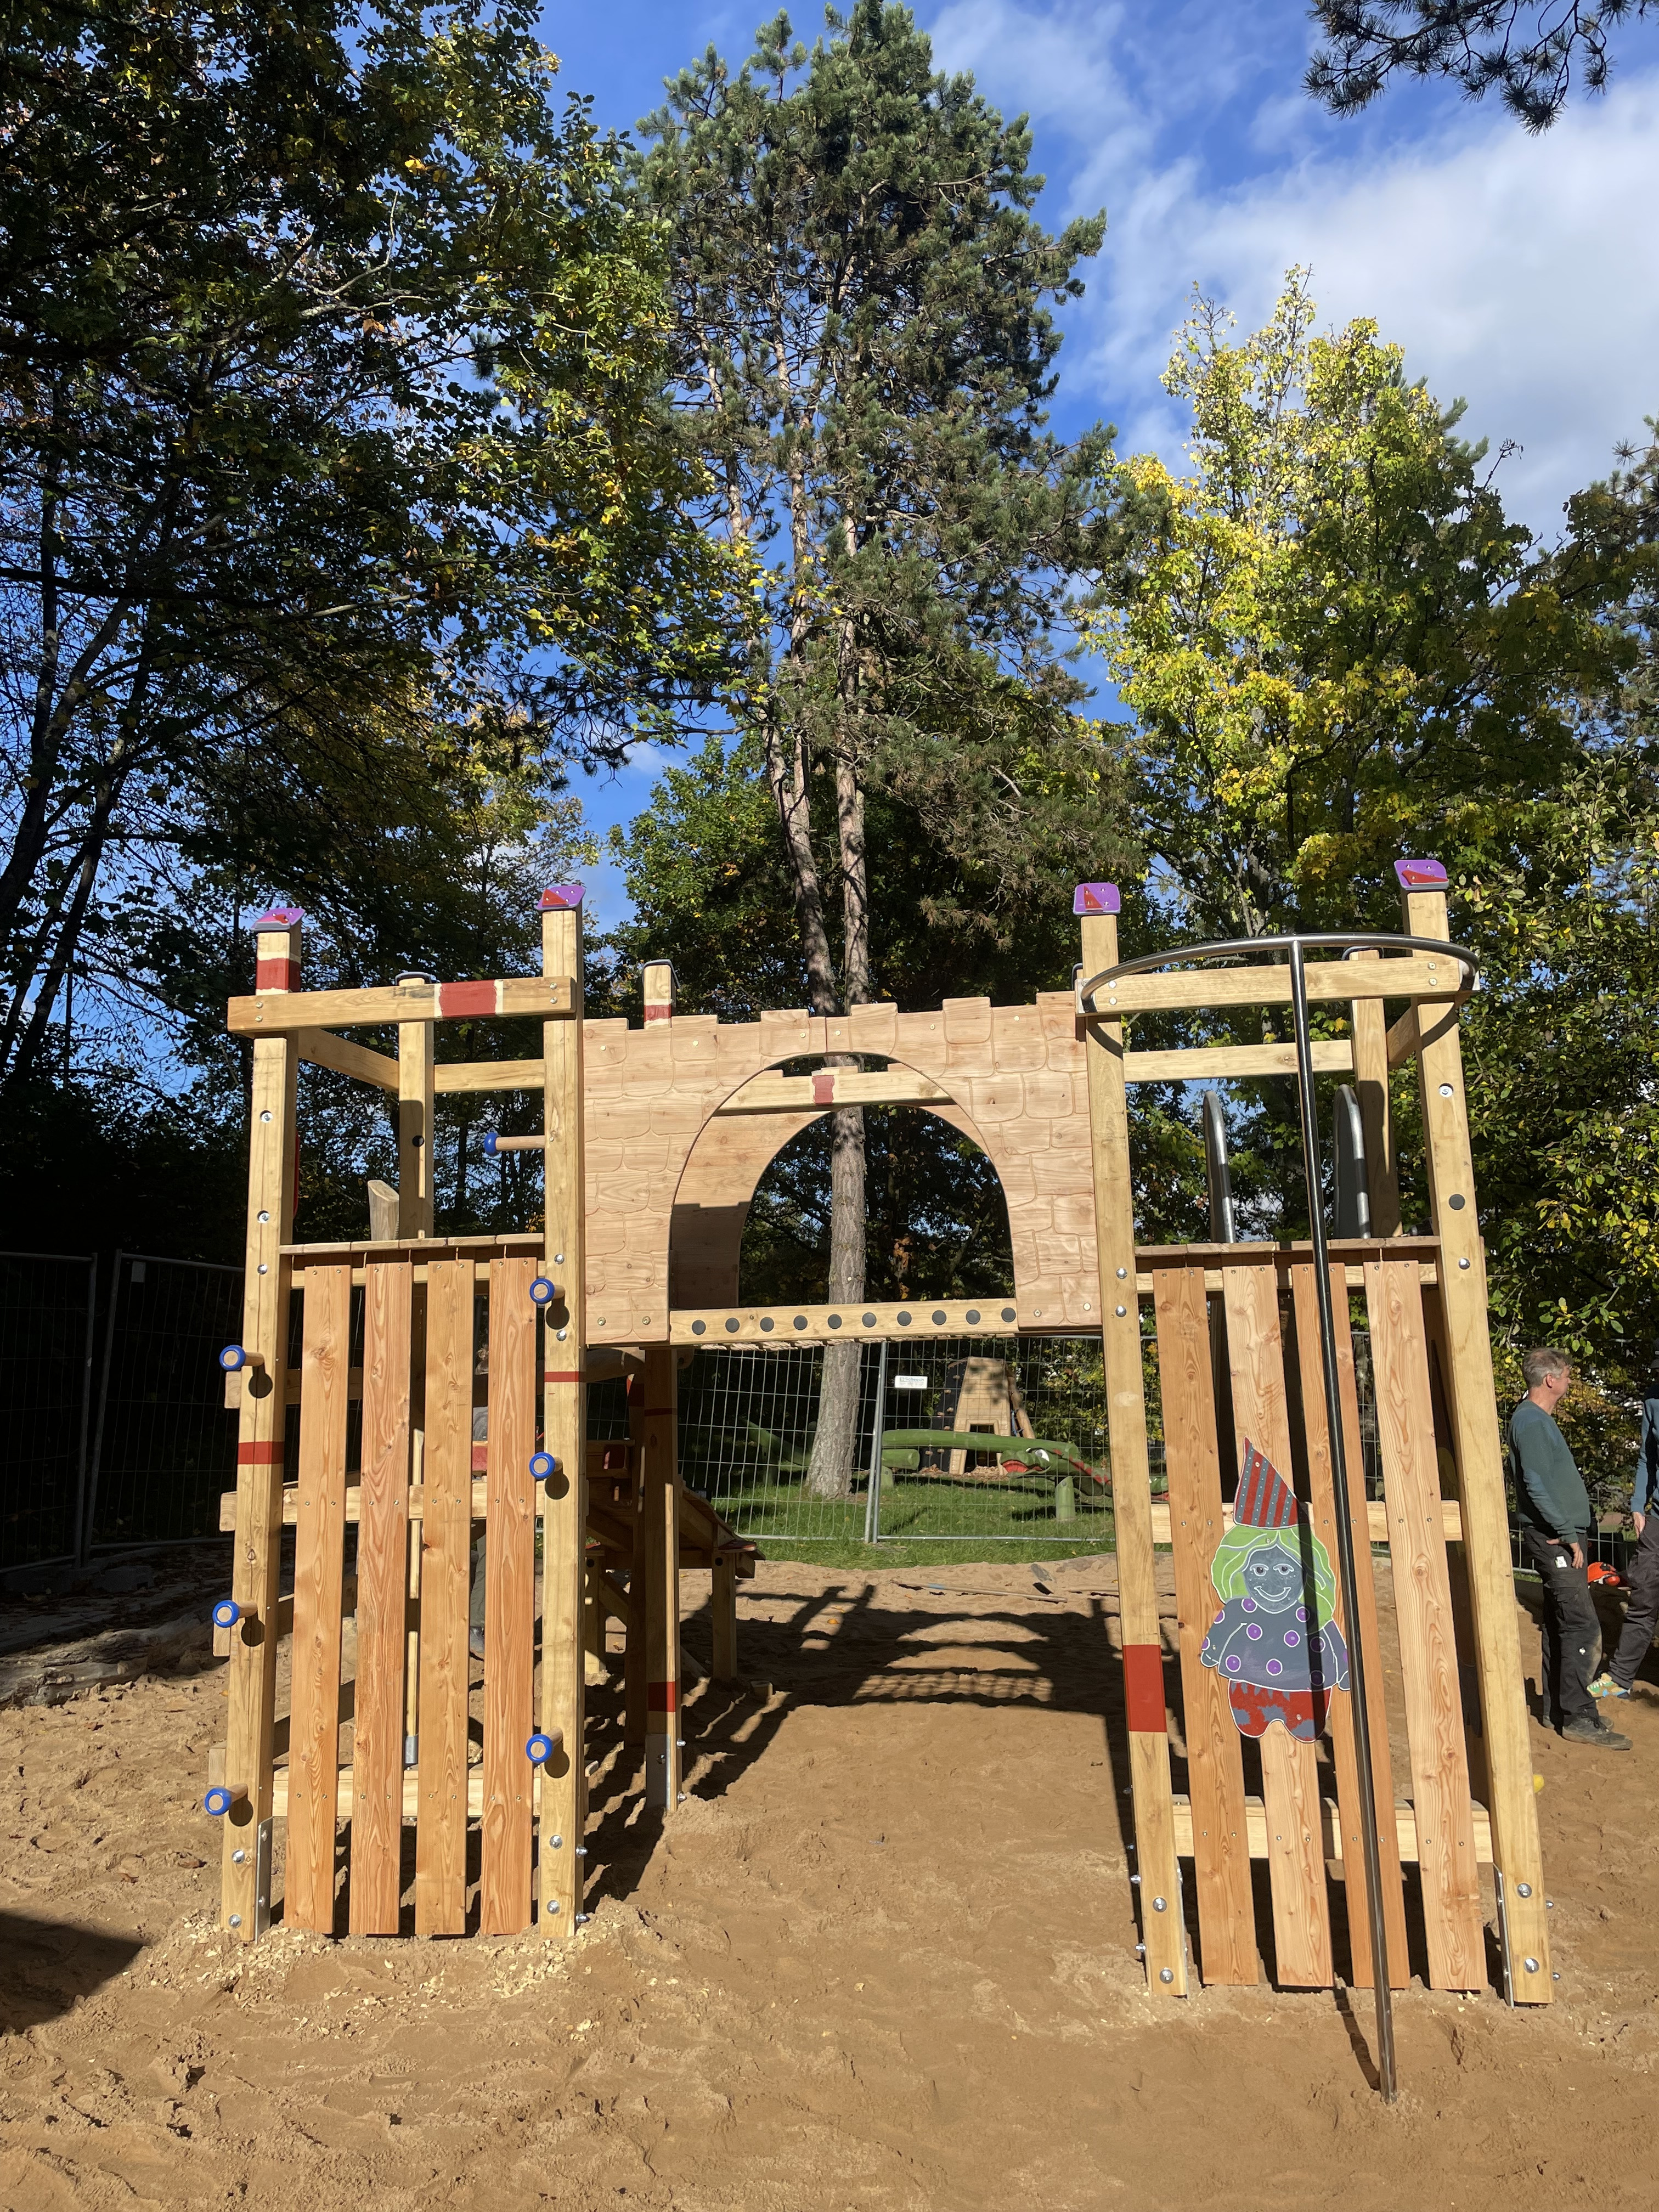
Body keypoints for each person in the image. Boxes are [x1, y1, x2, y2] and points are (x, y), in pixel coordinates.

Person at [1509, 1347, 1630, 1750]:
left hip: (1559, 1536)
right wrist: (1567, 1531)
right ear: (1551, 1379)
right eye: (1567, 1375)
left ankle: (1558, 1708)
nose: (1569, 1381)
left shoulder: (1536, 1419)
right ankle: (1578, 1717)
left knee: (1562, 1622)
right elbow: (1536, 1484)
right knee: (1582, 1625)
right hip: (1556, 1539)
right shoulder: (1531, 1422)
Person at [1589, 1367, 1659, 1705]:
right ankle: (1619, 1679)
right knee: (1643, 1600)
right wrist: (1637, 1506)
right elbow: (1648, 1457)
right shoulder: (1652, 1400)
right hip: (1656, 1522)